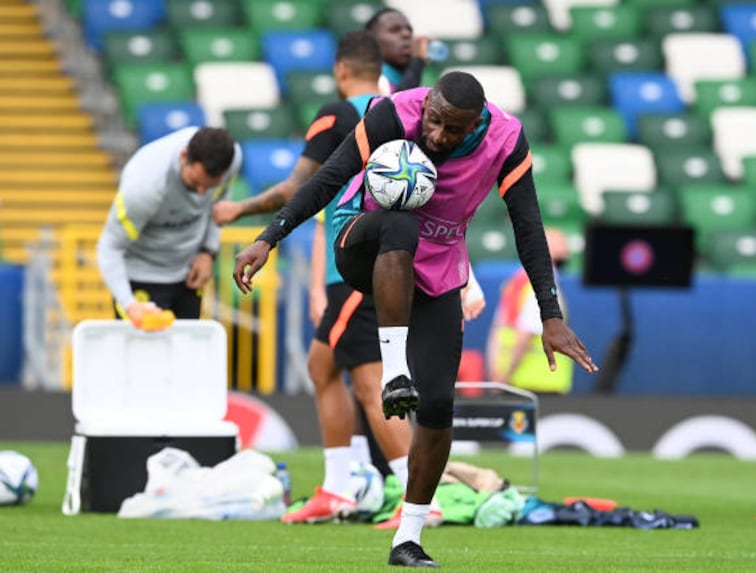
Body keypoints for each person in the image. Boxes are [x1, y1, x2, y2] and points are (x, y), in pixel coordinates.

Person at [233, 71, 598, 567]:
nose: (437, 136)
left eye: (454, 129)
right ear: (425, 103)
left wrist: (550, 314)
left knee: (439, 409)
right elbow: (328, 178)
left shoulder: (506, 139)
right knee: (401, 222)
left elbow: (528, 225)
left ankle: (408, 538)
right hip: (362, 238)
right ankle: (393, 369)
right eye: (434, 121)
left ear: (478, 124)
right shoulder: (392, 113)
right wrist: (268, 237)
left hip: (438, 268)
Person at [214, 30, 416, 523]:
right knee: (323, 365)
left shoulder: (339, 115)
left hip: (355, 264)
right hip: (389, 258)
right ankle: (340, 486)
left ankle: (416, 497)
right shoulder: (404, 113)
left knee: (371, 384)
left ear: (342, 70)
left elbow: (296, 186)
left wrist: (239, 208)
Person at [97, 127, 241, 326]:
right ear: (184, 156)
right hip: (141, 279)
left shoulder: (232, 159)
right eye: (195, 183)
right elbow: (109, 247)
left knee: (186, 356)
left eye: (209, 186)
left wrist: (208, 251)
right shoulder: (143, 188)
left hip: (188, 277)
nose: (201, 194)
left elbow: (220, 205)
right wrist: (130, 304)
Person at [486, 227, 575, 394]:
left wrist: (497, 376)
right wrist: (505, 377)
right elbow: (526, 334)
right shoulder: (540, 285)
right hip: (538, 384)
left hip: (513, 382)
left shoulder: (516, 282)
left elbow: (496, 332)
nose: (566, 248)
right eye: (560, 242)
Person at [365, 7, 432, 95]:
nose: (406, 34)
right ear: (372, 40)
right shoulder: (369, 81)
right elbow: (397, 106)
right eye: (394, 30)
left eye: (409, 30)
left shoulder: (421, 78)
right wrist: (417, 62)